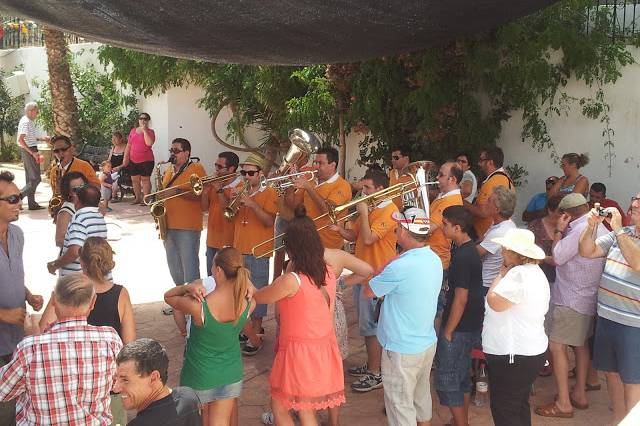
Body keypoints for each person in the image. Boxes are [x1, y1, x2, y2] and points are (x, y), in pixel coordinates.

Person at [253, 206, 345, 425]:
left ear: (292, 247)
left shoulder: (292, 280)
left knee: (281, 406)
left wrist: (248, 286)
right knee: (305, 409)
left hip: (299, 353)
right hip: (322, 347)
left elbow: (262, 296)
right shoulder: (327, 272)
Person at [0, 273, 122, 425]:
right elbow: (118, 383)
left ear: (54, 300)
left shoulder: (30, 348)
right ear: (93, 302)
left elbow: (3, 390)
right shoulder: (110, 339)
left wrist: (32, 338)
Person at [39, 236, 135, 425]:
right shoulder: (121, 294)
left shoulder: (69, 289)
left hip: (66, 386)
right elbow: (129, 345)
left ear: (81, 262)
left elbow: (43, 328)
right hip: (106, 389)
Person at [364, 206, 441, 426]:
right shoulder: (434, 258)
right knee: (420, 400)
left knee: (400, 409)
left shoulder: (401, 266)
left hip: (401, 348)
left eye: (398, 228)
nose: (396, 232)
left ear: (406, 232)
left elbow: (370, 291)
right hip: (425, 343)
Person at [165, 247, 255, 426]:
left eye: (213, 266)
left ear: (219, 271)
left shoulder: (199, 307)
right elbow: (254, 294)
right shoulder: (248, 303)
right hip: (230, 374)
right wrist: (249, 286)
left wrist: (187, 287)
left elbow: (168, 297)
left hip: (200, 375)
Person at [535, 193, 607, 419]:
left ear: (566, 213)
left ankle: (564, 403)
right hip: (589, 298)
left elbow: (557, 257)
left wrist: (558, 230)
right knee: (581, 344)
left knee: (557, 347)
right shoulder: (601, 227)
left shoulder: (577, 231)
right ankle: (579, 394)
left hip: (570, 298)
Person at [330, 169, 398, 392]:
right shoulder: (371, 208)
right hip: (362, 275)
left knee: (372, 328)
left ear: (380, 188)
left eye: (367, 189)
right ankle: (372, 364)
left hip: (377, 276)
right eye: (363, 188)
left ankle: (376, 373)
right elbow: (356, 236)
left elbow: (369, 239)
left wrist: (364, 213)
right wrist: (338, 228)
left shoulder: (390, 210)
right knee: (366, 325)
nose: (363, 193)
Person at [578, 192, 640, 425]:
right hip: (607, 318)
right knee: (611, 376)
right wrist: (591, 226)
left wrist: (619, 230)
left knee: (633, 381)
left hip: (634, 324)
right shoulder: (623, 235)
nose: (634, 206)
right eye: (633, 202)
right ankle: (617, 420)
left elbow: (637, 262)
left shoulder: (621, 234)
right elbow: (587, 251)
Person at [483, 228, 550, 426]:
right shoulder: (535, 272)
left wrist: (500, 274)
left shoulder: (518, 275)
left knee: (505, 410)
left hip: (513, 354)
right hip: (528, 351)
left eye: (505, 248)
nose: (502, 252)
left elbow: (494, 301)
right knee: (518, 405)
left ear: (515, 254)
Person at [0, 170, 44, 425]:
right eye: (13, 199)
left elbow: (13, 273)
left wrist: (28, 295)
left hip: (16, 342)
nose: (20, 203)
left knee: (20, 408)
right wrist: (3, 314)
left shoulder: (18, 235)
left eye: (20, 197)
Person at [437, 205, 484, 426]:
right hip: (470, 324)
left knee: (449, 380)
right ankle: (460, 421)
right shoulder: (467, 249)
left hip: (460, 327)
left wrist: (448, 331)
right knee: (463, 376)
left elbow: (461, 297)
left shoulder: (464, 255)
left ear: (457, 227)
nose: (441, 227)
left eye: (445, 224)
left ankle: (461, 422)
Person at [231, 153, 278, 356]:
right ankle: (248, 328)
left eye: (250, 173)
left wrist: (252, 204)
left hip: (259, 250)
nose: (246, 176)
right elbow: (229, 216)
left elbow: (269, 221)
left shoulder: (270, 193)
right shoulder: (240, 191)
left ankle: (257, 332)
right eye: (244, 172)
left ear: (260, 174)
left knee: (257, 293)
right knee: (241, 293)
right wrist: (232, 203)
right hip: (239, 249)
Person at [160, 138, 207, 332]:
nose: (173, 153)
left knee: (190, 267)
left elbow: (199, 195)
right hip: (168, 223)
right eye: (171, 149)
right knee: (174, 266)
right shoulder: (169, 169)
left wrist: (178, 190)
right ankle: (180, 301)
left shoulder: (196, 169)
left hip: (187, 225)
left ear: (187, 152)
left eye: (177, 150)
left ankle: (194, 304)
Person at [114, 338, 201, 426]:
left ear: (153, 378)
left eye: (125, 380)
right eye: (116, 378)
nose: (115, 388)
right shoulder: (188, 396)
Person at [288, 147, 352, 249]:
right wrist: (290, 185)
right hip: (307, 240)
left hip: (329, 245)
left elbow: (327, 211)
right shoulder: (311, 181)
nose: (316, 166)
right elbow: (293, 206)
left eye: (320, 163)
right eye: (315, 162)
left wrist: (308, 187)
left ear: (333, 165)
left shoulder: (342, 186)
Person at [47, 185, 107, 277]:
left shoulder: (80, 218)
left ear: (78, 200)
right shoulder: (99, 217)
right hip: (94, 276)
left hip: (77, 280)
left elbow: (75, 251)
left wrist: (55, 264)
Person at [202, 151, 241, 274]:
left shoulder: (239, 186)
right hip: (211, 240)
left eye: (220, 167)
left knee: (226, 281)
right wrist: (204, 190)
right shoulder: (216, 183)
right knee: (210, 279)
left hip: (228, 242)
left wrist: (219, 190)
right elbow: (204, 208)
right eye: (216, 165)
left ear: (231, 168)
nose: (216, 169)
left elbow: (227, 212)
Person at [464, 147, 514, 240]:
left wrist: (462, 202)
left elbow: (483, 212)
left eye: (482, 160)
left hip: (483, 235)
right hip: (490, 233)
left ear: (490, 162)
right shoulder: (503, 178)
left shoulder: (494, 181)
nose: (479, 163)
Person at [477, 186, 517, 295]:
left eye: (489, 201)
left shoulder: (500, 231)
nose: (485, 202)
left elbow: (475, 253)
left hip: (486, 284)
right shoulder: (506, 224)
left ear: (497, 209)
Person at [17, 102, 50, 210]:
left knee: (30, 179)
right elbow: (20, 140)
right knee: (36, 179)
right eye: (37, 111)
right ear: (30, 111)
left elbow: (29, 137)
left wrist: (42, 139)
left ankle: (32, 204)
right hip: (29, 151)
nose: (38, 113)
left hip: (29, 150)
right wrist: (32, 153)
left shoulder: (28, 121)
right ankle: (17, 197)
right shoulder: (26, 122)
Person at [527, 193, 565, 285]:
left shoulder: (569, 226)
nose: (564, 215)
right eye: (561, 212)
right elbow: (527, 251)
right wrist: (545, 258)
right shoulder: (535, 226)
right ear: (550, 211)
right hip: (538, 277)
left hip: (561, 280)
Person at [124, 112, 156, 204]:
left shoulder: (150, 132)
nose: (143, 120)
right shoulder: (133, 131)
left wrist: (145, 130)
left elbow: (149, 143)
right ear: (138, 120)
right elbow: (129, 145)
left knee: (145, 180)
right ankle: (137, 198)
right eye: (141, 118)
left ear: (148, 120)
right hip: (133, 159)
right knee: (135, 180)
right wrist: (125, 157)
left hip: (146, 160)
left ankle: (146, 199)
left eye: (145, 119)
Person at [53, 171, 88, 248]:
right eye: (76, 189)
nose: (81, 191)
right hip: (76, 257)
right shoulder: (66, 212)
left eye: (83, 187)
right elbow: (59, 241)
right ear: (69, 192)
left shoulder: (88, 203)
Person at [107, 131, 127, 202]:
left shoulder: (126, 147)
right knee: (103, 175)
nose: (113, 141)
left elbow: (125, 162)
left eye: (115, 139)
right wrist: (106, 167)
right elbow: (109, 160)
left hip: (122, 169)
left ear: (121, 139)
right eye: (112, 139)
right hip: (112, 169)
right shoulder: (113, 148)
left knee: (115, 176)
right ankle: (106, 195)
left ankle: (114, 195)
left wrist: (118, 168)